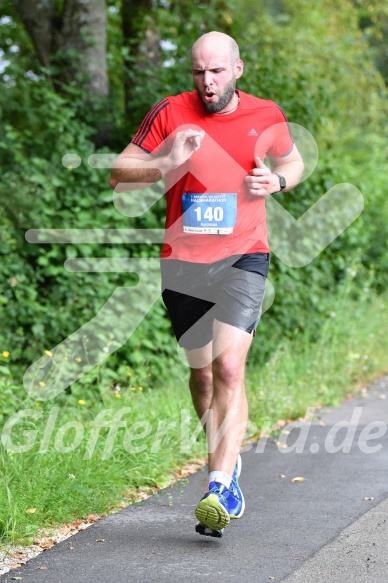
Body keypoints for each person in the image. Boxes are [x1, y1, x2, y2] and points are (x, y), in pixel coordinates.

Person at [110, 31, 304, 537]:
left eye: (216, 71)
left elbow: (292, 160)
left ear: (238, 69)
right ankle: (229, 457)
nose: (206, 81)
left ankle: (219, 484)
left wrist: (278, 182)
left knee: (230, 365)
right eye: (198, 72)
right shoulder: (170, 113)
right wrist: (165, 161)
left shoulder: (267, 115)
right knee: (201, 377)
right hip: (183, 262)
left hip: (244, 256)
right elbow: (118, 173)